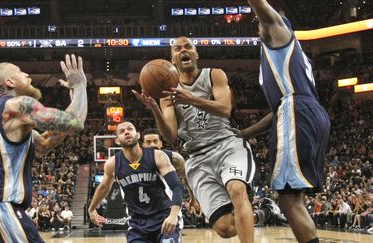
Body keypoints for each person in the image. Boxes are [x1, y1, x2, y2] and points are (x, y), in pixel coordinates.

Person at [133, 36, 256, 242]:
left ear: (196, 54)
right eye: (177, 49)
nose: (183, 50)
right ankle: (264, 213)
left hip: (226, 145)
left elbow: (225, 109)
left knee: (236, 188)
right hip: (197, 157)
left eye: (187, 47)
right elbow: (171, 136)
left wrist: (191, 99)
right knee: (224, 228)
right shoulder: (166, 94)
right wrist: (155, 109)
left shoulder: (214, 75)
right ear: (172, 59)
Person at [230, 1, 331, 242]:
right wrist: (245, 132)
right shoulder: (287, 54)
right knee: (295, 198)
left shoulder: (280, 35)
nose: (259, 26)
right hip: (304, 111)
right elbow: (277, 111)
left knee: (287, 199)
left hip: (297, 112)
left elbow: (268, 15)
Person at [0, 54, 88, 243]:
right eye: (21, 71)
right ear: (10, 81)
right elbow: (75, 124)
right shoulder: (18, 104)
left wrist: (76, 100)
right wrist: (79, 86)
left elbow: (45, 143)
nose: (27, 74)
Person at [88, 121, 184, 243]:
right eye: (122, 131)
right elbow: (103, 187)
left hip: (164, 217)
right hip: (137, 223)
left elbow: (176, 187)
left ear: (138, 135)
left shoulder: (158, 156)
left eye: (130, 129)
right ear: (117, 140)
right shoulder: (112, 164)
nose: (126, 132)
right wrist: (91, 209)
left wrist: (174, 215)